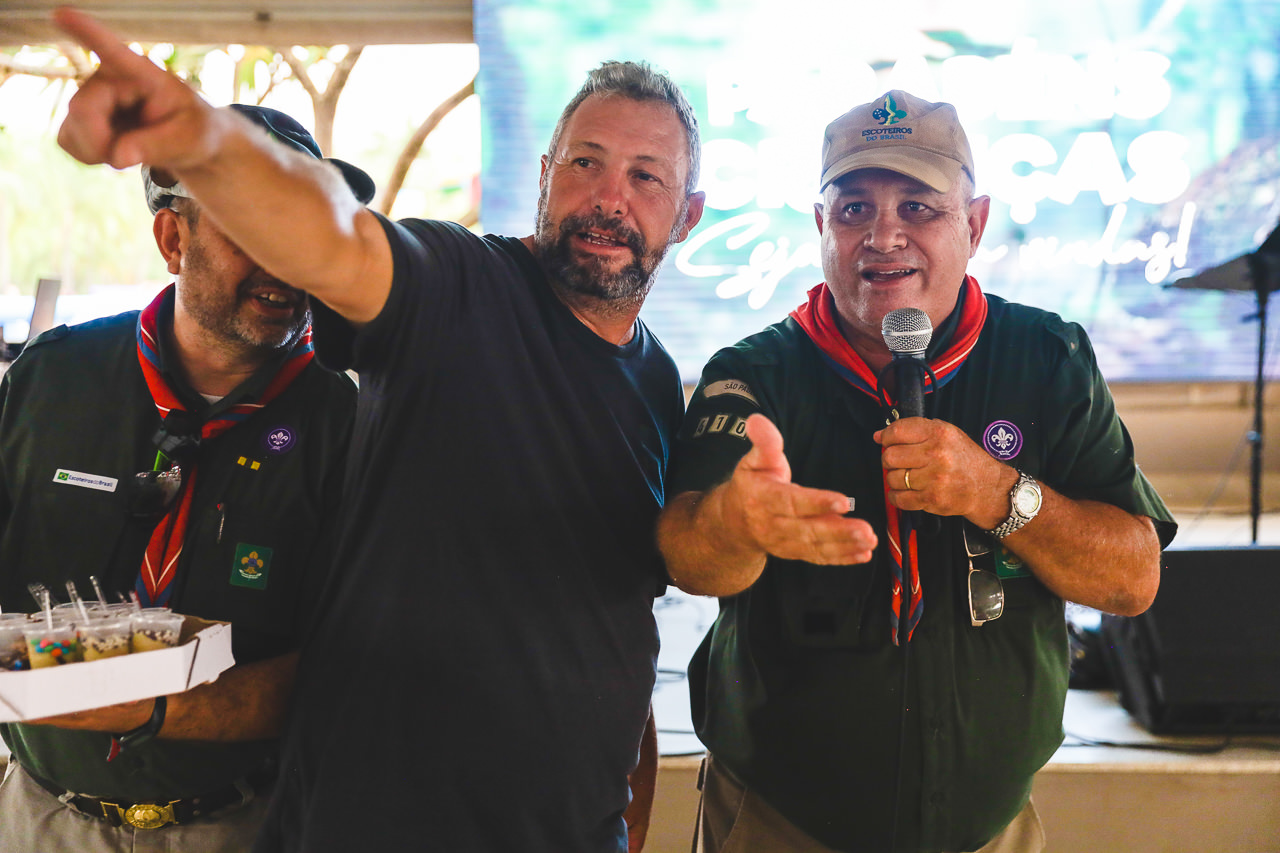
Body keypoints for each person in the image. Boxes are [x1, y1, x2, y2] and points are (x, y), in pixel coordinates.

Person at [50, 8, 706, 852]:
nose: (610, 198)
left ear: (687, 214)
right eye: (587, 162)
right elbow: (336, 238)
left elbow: (609, 618)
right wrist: (204, 144)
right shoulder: (460, 288)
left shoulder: (657, 379)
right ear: (545, 175)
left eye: (647, 176)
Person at [656, 90, 1178, 853]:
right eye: (854, 209)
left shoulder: (1047, 358)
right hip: (781, 820)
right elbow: (688, 558)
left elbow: (1133, 580)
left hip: (989, 828)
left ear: (975, 223)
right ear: (820, 226)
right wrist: (736, 523)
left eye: (918, 208)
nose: (883, 236)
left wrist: (998, 492)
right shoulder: (755, 372)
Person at [0, 103, 366, 852]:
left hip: (247, 822)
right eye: (251, 225)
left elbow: (349, 670)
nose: (283, 259)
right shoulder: (51, 379)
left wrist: (98, 679)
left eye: (301, 227)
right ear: (173, 237)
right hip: (41, 818)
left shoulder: (349, 420)